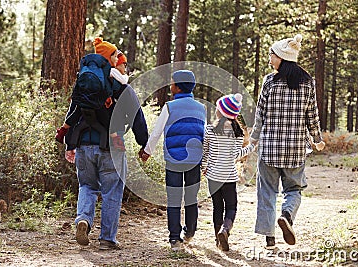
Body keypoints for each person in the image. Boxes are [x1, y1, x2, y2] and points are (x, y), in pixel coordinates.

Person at [63, 38, 149, 250]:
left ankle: (83, 219)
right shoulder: (121, 86)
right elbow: (138, 117)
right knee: (112, 191)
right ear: (111, 60)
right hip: (113, 147)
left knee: (87, 186)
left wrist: (69, 143)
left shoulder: (83, 83)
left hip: (84, 144)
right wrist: (144, 143)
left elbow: (71, 115)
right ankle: (107, 239)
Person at [250, 34, 325, 249]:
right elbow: (312, 115)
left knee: (267, 192)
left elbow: (260, 114)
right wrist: (317, 140)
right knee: (294, 189)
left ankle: (269, 238)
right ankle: (287, 216)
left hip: (270, 149)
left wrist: (254, 139)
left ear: (282, 58)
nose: (270, 58)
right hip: (295, 150)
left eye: (272, 55)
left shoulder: (269, 81)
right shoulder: (307, 82)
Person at [139, 70, 206, 251]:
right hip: (194, 160)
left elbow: (156, 133)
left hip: (174, 160)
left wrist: (147, 151)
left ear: (177, 87)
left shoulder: (169, 107)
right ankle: (190, 231)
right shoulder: (201, 108)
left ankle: (175, 239)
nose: (170, 86)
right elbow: (204, 136)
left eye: (172, 83)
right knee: (191, 197)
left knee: (174, 199)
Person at [201, 93, 256, 251]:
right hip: (229, 176)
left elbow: (205, 152)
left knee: (217, 207)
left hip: (213, 175)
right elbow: (236, 155)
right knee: (231, 207)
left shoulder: (210, 130)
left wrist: (203, 167)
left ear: (221, 112)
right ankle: (225, 230)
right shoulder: (238, 133)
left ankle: (218, 240)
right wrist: (252, 147)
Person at [55, 39, 128, 144]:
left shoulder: (89, 69)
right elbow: (116, 84)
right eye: (115, 56)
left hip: (84, 101)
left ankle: (62, 131)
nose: (117, 60)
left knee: (75, 114)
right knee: (107, 120)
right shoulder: (109, 71)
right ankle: (116, 140)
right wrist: (108, 98)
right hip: (98, 103)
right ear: (108, 57)